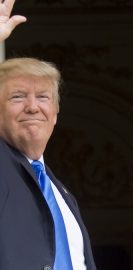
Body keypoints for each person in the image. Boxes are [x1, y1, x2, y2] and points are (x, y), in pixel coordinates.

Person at [0, 5, 97, 268]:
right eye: (17, 96)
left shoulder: (62, 194)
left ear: (54, 113)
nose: (32, 106)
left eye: (43, 97)